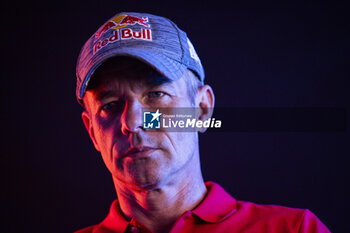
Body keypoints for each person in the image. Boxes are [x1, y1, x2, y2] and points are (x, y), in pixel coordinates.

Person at [74, 12, 331, 233]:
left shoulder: (295, 229)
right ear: (92, 132)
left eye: (156, 95)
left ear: (202, 109)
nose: (132, 122)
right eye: (109, 105)